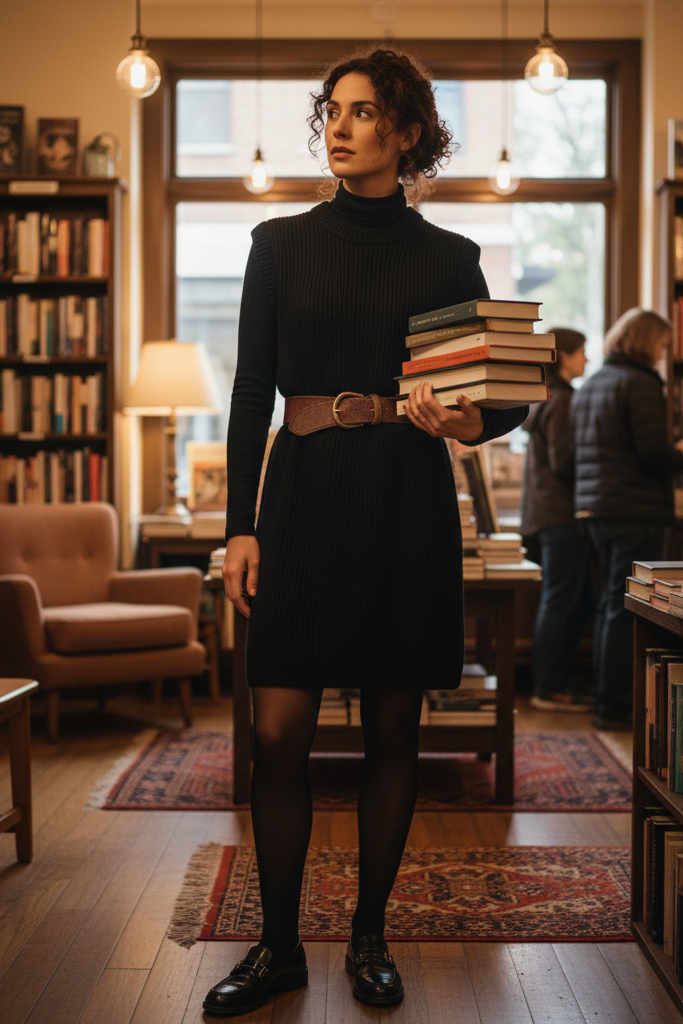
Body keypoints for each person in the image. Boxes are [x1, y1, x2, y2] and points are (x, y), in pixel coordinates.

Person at [203, 49, 528, 1018]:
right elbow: (251, 391)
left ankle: (369, 938)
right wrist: (238, 530)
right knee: (276, 733)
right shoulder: (277, 243)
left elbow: (499, 398)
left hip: (402, 499)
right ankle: (275, 947)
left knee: (393, 729)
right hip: (300, 502)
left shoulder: (449, 258)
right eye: (331, 112)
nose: (339, 128)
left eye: (361, 113)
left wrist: (467, 421)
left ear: (406, 132)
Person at [572, 308, 683, 729]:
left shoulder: (594, 383)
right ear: (645, 341)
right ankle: (618, 705)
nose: (661, 355)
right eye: (660, 345)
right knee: (632, 608)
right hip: (635, 508)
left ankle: (608, 700)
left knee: (611, 606)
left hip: (599, 507)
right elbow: (654, 456)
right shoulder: (640, 384)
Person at [521, 328, 594, 712]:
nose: (586, 360)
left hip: (544, 511)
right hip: (562, 512)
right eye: (582, 353)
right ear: (563, 357)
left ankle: (558, 682)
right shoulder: (563, 400)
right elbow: (564, 462)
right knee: (562, 600)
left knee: (575, 600)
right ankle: (550, 687)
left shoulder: (540, 397)